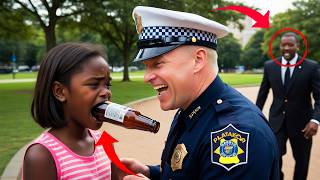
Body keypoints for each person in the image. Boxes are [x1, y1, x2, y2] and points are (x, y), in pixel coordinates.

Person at [117, 6, 280, 180]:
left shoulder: (236, 132)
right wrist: (151, 172)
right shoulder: (193, 108)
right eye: (146, 66)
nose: (146, 77)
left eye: (157, 64)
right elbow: (189, 170)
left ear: (198, 60)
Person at [23, 43, 113, 179]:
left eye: (107, 84)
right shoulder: (42, 155)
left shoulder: (104, 141)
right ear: (60, 92)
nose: (106, 92)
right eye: (94, 84)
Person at [256, 32, 320, 180]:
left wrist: (315, 120)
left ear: (297, 46)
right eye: (283, 45)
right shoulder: (270, 66)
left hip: (303, 125)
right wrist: (255, 117)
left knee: (302, 161)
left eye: (290, 45)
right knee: (274, 157)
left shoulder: (311, 67)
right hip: (276, 123)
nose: (286, 48)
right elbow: (262, 95)